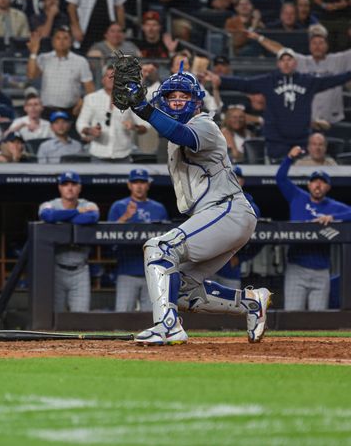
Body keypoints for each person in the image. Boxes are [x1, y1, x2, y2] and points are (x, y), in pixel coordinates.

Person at [116, 60, 271, 344]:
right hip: (220, 214)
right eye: (171, 97)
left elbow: (180, 133)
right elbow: (171, 130)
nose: (176, 102)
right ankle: (251, 302)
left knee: (159, 248)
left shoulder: (204, 125)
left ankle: (167, 325)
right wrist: (145, 105)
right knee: (184, 290)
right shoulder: (172, 133)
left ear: (196, 101)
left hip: (227, 209)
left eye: (183, 96)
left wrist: (143, 109)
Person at [205, 50, 351, 160]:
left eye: (289, 59)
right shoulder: (269, 80)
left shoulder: (308, 81)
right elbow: (245, 84)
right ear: (278, 63)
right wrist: (222, 80)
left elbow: (332, 80)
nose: (286, 62)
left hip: (301, 139)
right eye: (283, 60)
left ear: (295, 63)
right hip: (276, 140)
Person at [276, 148, 349, 311]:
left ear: (328, 187)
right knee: (292, 317)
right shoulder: (297, 196)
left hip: (321, 271)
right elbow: (280, 179)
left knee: (318, 320)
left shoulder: (333, 207)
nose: (318, 184)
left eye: (322, 182)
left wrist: (333, 218)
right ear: (309, 184)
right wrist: (289, 158)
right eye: (315, 181)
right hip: (297, 268)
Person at [249, 24, 351, 125]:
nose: (317, 47)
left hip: (332, 119)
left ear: (327, 45)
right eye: (314, 43)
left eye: (321, 43)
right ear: (309, 46)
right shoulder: (301, 61)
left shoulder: (338, 59)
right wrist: (259, 38)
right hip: (308, 120)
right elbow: (280, 50)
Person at [108, 169, 168, 312]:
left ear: (148, 185)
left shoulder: (158, 208)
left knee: (151, 317)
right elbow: (108, 236)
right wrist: (125, 217)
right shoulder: (119, 206)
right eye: (135, 182)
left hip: (153, 272)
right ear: (129, 185)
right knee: (122, 318)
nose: (139, 186)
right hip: (127, 270)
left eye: (142, 182)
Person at [39, 171, 99, 312]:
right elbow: (48, 216)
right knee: (55, 316)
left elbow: (91, 218)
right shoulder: (49, 204)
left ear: (79, 188)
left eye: (73, 184)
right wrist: (77, 212)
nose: (70, 188)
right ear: (60, 187)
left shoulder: (89, 204)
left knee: (81, 318)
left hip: (80, 270)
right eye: (65, 184)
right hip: (56, 269)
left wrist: (61, 218)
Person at [76, 63, 146, 163]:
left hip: (123, 155)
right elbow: (81, 123)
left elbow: (144, 126)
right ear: (102, 79)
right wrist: (90, 131)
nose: (112, 79)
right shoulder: (91, 99)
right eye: (109, 76)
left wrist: (134, 127)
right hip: (98, 154)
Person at [27, 27, 94, 117]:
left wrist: (82, 103)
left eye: (65, 38)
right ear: (53, 42)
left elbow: (90, 88)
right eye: (58, 38)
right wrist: (33, 53)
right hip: (47, 110)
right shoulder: (44, 58)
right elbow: (31, 75)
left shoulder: (80, 61)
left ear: (71, 42)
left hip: (71, 110)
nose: (61, 41)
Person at [213, 166, 262, 289]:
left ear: (242, 182)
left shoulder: (251, 207)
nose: (233, 181)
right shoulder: (212, 201)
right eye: (230, 178)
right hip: (208, 270)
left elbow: (261, 238)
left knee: (231, 306)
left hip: (230, 271)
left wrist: (241, 258)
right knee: (202, 307)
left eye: (237, 178)